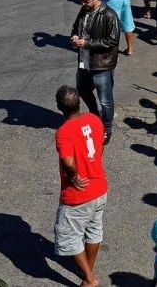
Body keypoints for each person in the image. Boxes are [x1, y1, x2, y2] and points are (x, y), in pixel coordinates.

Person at [52, 85, 108, 287]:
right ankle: (87, 272)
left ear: (59, 107)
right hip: (99, 187)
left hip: (78, 195)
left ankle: (90, 279)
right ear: (79, 103)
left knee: (69, 236)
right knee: (94, 230)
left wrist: (74, 176)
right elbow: (100, 147)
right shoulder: (94, 119)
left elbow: (67, 161)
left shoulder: (64, 132)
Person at [71, 0, 120, 143]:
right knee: (83, 90)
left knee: (105, 99)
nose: (83, 3)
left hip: (102, 64)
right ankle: (95, 116)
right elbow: (75, 28)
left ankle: (107, 128)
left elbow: (112, 41)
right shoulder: (83, 11)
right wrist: (74, 36)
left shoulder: (109, 15)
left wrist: (87, 43)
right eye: (81, 0)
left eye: (86, 0)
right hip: (84, 60)